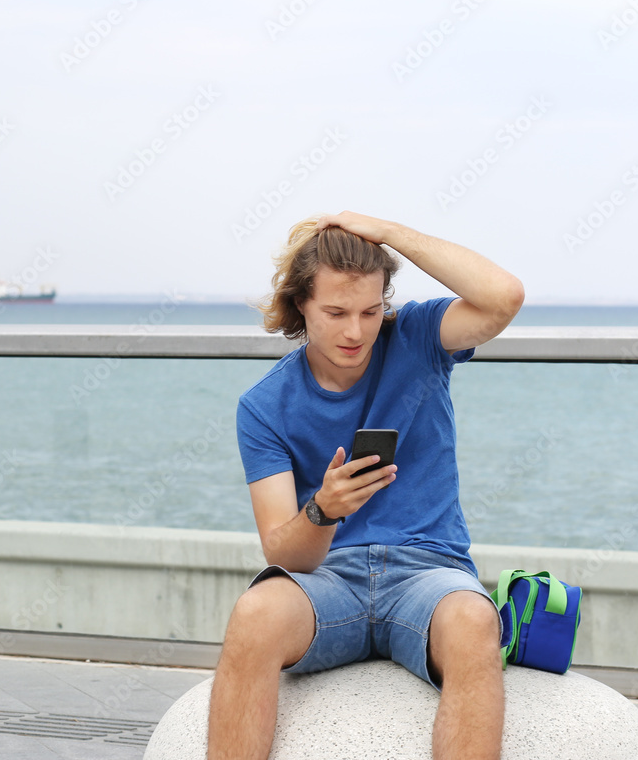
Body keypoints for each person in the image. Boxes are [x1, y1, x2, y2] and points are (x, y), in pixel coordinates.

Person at [207, 211, 525, 760]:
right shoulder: (263, 407)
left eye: (370, 310)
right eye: (335, 312)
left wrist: (389, 234)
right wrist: (323, 512)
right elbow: (284, 552)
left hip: (429, 573)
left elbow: (504, 297)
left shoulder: (419, 339)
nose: (355, 331)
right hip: (330, 583)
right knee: (254, 614)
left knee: (476, 620)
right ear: (301, 304)